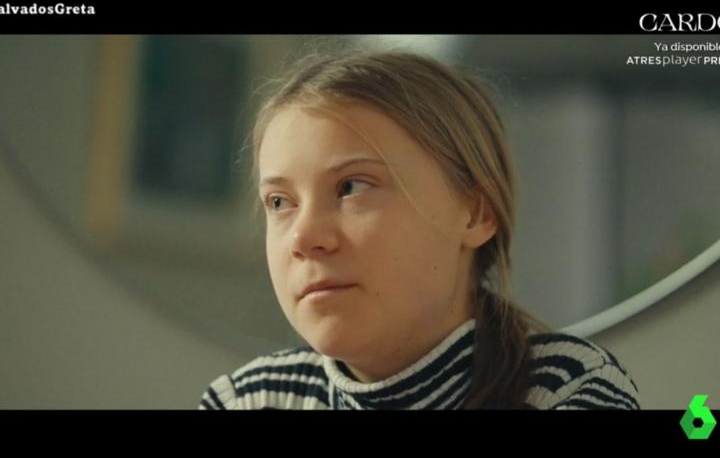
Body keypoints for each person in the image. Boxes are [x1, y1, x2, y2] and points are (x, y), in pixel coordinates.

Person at [198, 49, 640, 410]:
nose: (303, 238)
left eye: (352, 187)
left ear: (475, 213)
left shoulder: (568, 389)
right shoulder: (247, 401)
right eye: (279, 202)